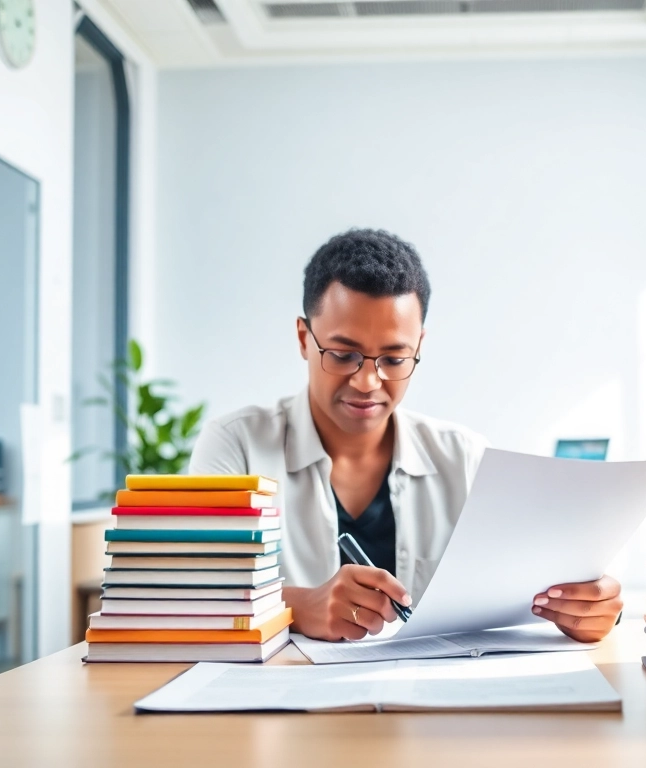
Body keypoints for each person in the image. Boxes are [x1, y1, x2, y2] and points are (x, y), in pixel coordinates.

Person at [188, 229, 623, 643]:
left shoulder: (466, 457)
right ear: (305, 339)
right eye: (343, 355)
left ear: (419, 347)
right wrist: (297, 605)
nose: (367, 382)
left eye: (395, 359)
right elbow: (189, 593)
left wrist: (594, 607)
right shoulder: (236, 445)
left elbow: (546, 577)